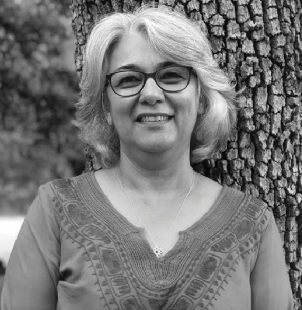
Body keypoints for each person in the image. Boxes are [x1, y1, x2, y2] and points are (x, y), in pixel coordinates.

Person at [1, 6, 293, 310]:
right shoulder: (55, 212)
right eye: (128, 80)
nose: (151, 94)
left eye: (171, 75)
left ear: (202, 97)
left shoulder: (252, 226)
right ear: (106, 107)